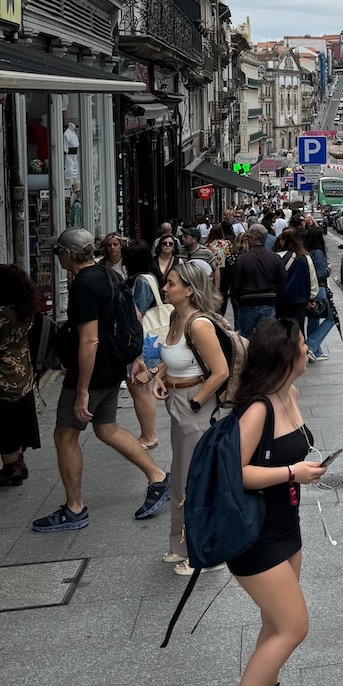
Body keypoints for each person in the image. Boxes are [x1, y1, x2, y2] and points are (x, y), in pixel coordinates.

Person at [212, 319, 326, 686]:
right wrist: (292, 473)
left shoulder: (290, 396)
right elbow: (236, 473)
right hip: (253, 535)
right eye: (303, 344)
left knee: (274, 623)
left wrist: (302, 471)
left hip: (287, 526)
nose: (307, 350)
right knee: (294, 626)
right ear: (289, 355)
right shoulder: (256, 408)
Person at [32, 229, 170, 533]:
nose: (58, 257)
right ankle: (158, 477)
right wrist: (134, 356)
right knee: (107, 428)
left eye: (59, 253)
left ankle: (74, 509)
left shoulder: (83, 284)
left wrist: (81, 390)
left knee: (65, 435)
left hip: (92, 373)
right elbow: (133, 314)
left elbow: (89, 341)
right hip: (112, 368)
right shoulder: (110, 275)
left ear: (68, 255)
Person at [151, 262, 229, 574]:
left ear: (189, 289)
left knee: (194, 479)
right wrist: (160, 375)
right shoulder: (175, 316)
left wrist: (195, 403)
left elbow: (220, 371)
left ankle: (206, 552)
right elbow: (174, 358)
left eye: (171, 283)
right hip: (178, 403)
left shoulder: (199, 325)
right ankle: (179, 545)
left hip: (194, 405)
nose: (165, 288)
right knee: (182, 474)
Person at [0, 264, 42, 487]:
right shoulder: (25, 309)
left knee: (6, 426)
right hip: (23, 374)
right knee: (17, 422)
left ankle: (11, 468)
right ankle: (19, 462)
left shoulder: (3, 315)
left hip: (3, 378)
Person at [122, 239, 163, 449]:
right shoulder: (150, 277)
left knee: (139, 387)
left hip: (142, 342)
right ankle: (149, 433)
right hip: (148, 341)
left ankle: (149, 435)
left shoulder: (142, 281)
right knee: (143, 388)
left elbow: (136, 312)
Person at [231, 224, 285, 338]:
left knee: (245, 336)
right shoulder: (275, 258)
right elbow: (281, 282)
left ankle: (247, 355)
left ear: (254, 239)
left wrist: (236, 299)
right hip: (268, 301)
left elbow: (236, 283)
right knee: (266, 337)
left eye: (248, 237)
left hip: (247, 302)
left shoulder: (242, 259)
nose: (247, 239)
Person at [302, 224, 336, 362]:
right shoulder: (318, 252)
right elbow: (320, 273)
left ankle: (316, 351)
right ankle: (311, 345)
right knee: (331, 318)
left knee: (313, 319)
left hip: (310, 289)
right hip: (319, 289)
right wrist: (329, 269)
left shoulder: (306, 251)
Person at [275, 228, 317, 334]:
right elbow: (312, 278)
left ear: (283, 240)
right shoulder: (305, 257)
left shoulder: (276, 257)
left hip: (280, 300)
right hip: (299, 300)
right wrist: (312, 297)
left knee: (281, 329)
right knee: (298, 328)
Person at [207, 220, 237, 316]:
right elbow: (230, 254)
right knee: (223, 292)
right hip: (225, 270)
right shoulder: (226, 243)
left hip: (212, 270)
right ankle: (221, 311)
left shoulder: (207, 245)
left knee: (212, 291)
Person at [180, 227, 219, 291]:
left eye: (186, 236)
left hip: (201, 288)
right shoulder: (179, 251)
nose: (183, 238)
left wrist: (216, 288)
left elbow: (216, 269)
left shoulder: (206, 253)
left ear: (194, 239)